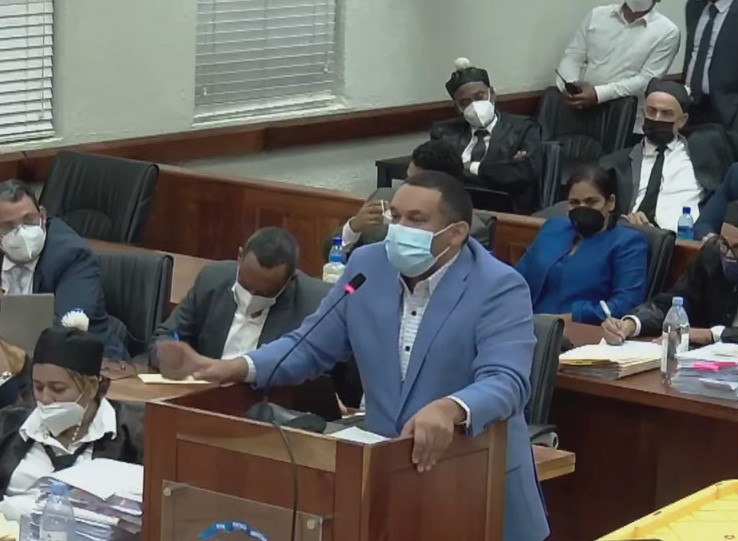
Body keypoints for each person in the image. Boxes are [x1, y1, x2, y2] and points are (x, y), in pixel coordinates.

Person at [157, 171, 550, 541]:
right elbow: (309, 345)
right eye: (396, 216)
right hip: (390, 476)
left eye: (416, 220)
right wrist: (230, 367)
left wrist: (451, 408)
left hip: (474, 481)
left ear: (456, 233)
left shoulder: (499, 286)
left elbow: (507, 381)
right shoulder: (367, 266)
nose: (400, 229)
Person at [152, 227, 362, 408]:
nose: (251, 296)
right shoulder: (213, 280)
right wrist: (169, 357)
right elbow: (166, 336)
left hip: (267, 413)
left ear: (290, 280)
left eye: (264, 293)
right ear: (239, 256)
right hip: (200, 401)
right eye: (245, 286)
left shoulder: (315, 304)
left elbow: (345, 384)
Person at [602, 188, 738, 350]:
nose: (729, 255)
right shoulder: (713, 256)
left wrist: (712, 335)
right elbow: (678, 301)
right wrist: (633, 323)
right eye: (724, 243)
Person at [0, 312, 143, 520]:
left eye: (58, 389)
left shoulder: (134, 436)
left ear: (91, 387)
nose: (45, 398)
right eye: (38, 387)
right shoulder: (8, 426)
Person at [0, 179, 125, 360]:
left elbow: (65, 332)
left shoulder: (73, 256)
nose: (22, 233)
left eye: (29, 220)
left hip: (89, 365)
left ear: (43, 216)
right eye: (9, 226)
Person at [515, 165, 647, 324]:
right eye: (574, 203)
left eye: (591, 202)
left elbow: (626, 303)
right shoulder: (553, 228)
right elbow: (517, 277)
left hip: (580, 329)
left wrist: (570, 317)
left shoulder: (627, 243)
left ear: (610, 202)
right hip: (525, 322)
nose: (582, 208)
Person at [323, 140, 496, 260]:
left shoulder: (471, 230)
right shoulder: (383, 197)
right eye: (407, 179)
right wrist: (353, 228)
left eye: (415, 183)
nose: (405, 189)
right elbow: (328, 256)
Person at [434, 58, 543, 214]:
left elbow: (524, 172)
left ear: (492, 94)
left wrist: (469, 167)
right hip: (456, 208)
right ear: (457, 107)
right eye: (465, 102)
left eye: (479, 97)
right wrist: (500, 169)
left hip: (508, 211)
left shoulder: (524, 127)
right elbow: (440, 175)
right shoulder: (443, 132)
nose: (474, 105)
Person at [555, 0, 680, 133]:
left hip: (623, 121)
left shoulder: (667, 32)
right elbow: (573, 56)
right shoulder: (597, 15)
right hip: (580, 111)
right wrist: (571, 87)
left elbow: (646, 80)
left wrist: (598, 94)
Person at [608, 80, 706, 231]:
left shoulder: (700, 156)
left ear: (682, 120)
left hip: (682, 239)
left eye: (666, 114)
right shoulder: (616, 163)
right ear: (643, 114)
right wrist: (623, 220)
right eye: (652, 111)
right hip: (630, 233)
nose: (657, 118)